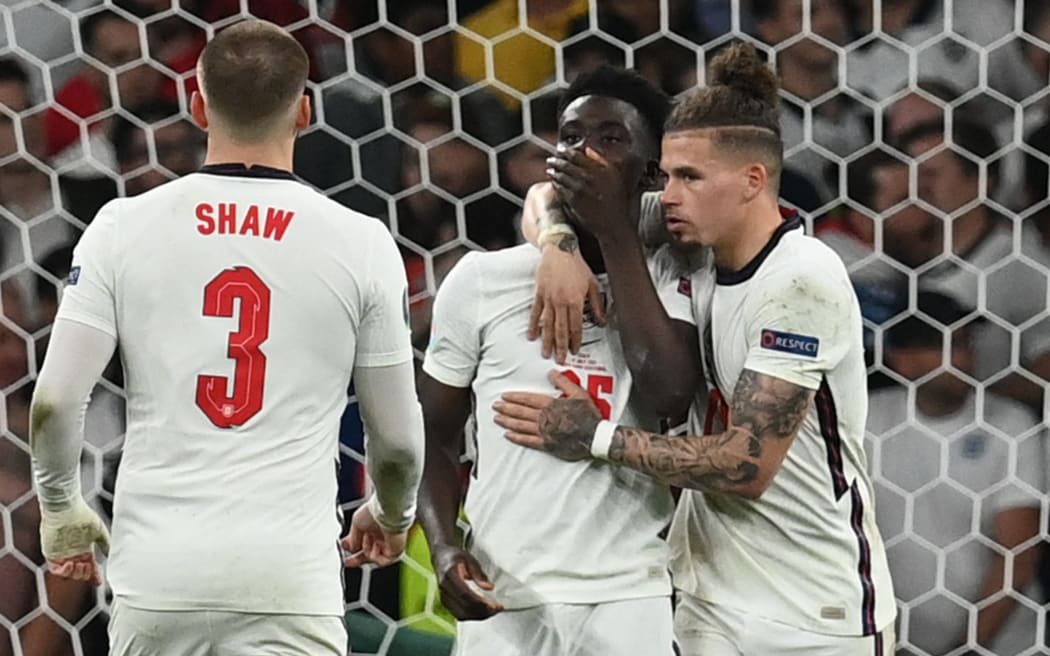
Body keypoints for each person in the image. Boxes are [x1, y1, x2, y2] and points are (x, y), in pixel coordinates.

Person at [29, 20, 424, 655]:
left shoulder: (122, 225)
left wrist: (60, 508)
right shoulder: (361, 240)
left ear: (198, 106)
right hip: (287, 576)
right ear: (305, 110)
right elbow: (399, 440)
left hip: (159, 570)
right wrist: (391, 512)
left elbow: (53, 400)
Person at [495, 43, 896, 654]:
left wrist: (595, 437)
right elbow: (552, 196)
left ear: (752, 181)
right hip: (708, 600)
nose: (668, 193)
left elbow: (746, 466)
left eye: (689, 177)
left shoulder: (801, 281)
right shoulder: (693, 235)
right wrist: (558, 243)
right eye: (665, 174)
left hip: (814, 614)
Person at [418, 65, 698, 656]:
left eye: (610, 139)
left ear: (650, 172)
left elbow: (669, 392)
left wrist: (609, 234)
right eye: (570, 138)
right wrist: (445, 548)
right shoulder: (481, 280)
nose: (583, 153)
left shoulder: (678, 277)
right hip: (503, 593)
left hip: (629, 593)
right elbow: (434, 437)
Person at [869, 291, 1046, 655]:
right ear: (902, 360)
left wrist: (965, 651)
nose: (965, 358)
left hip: (1005, 646)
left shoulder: (1010, 426)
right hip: (897, 644)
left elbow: (1019, 557)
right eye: (947, 346)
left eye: (965, 343)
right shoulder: (868, 420)